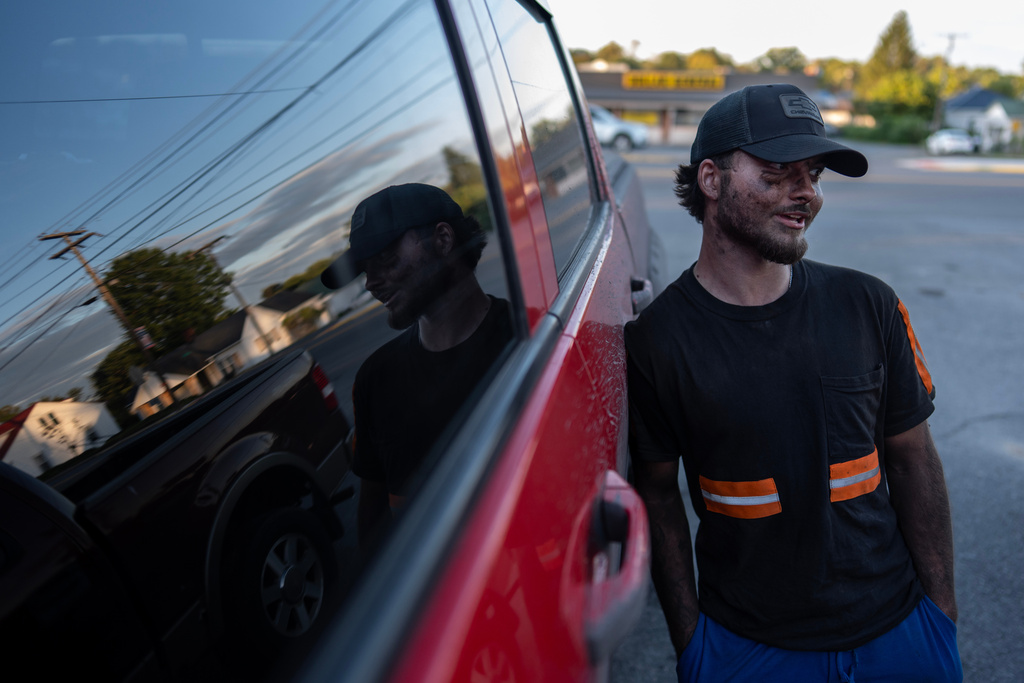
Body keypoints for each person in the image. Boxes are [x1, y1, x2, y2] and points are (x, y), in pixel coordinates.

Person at [625, 84, 962, 682]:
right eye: (779, 173)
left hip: (901, 635)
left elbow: (913, 459)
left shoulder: (869, 304)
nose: (806, 192)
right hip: (747, 648)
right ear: (711, 179)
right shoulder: (657, 340)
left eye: (814, 174)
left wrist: (940, 618)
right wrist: (692, 645)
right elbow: (655, 493)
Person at [321, 183, 513, 549]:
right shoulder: (375, 381)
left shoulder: (524, 336)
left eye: (386, 260)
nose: (371, 284)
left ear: (442, 239)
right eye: (364, 269)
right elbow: (375, 525)